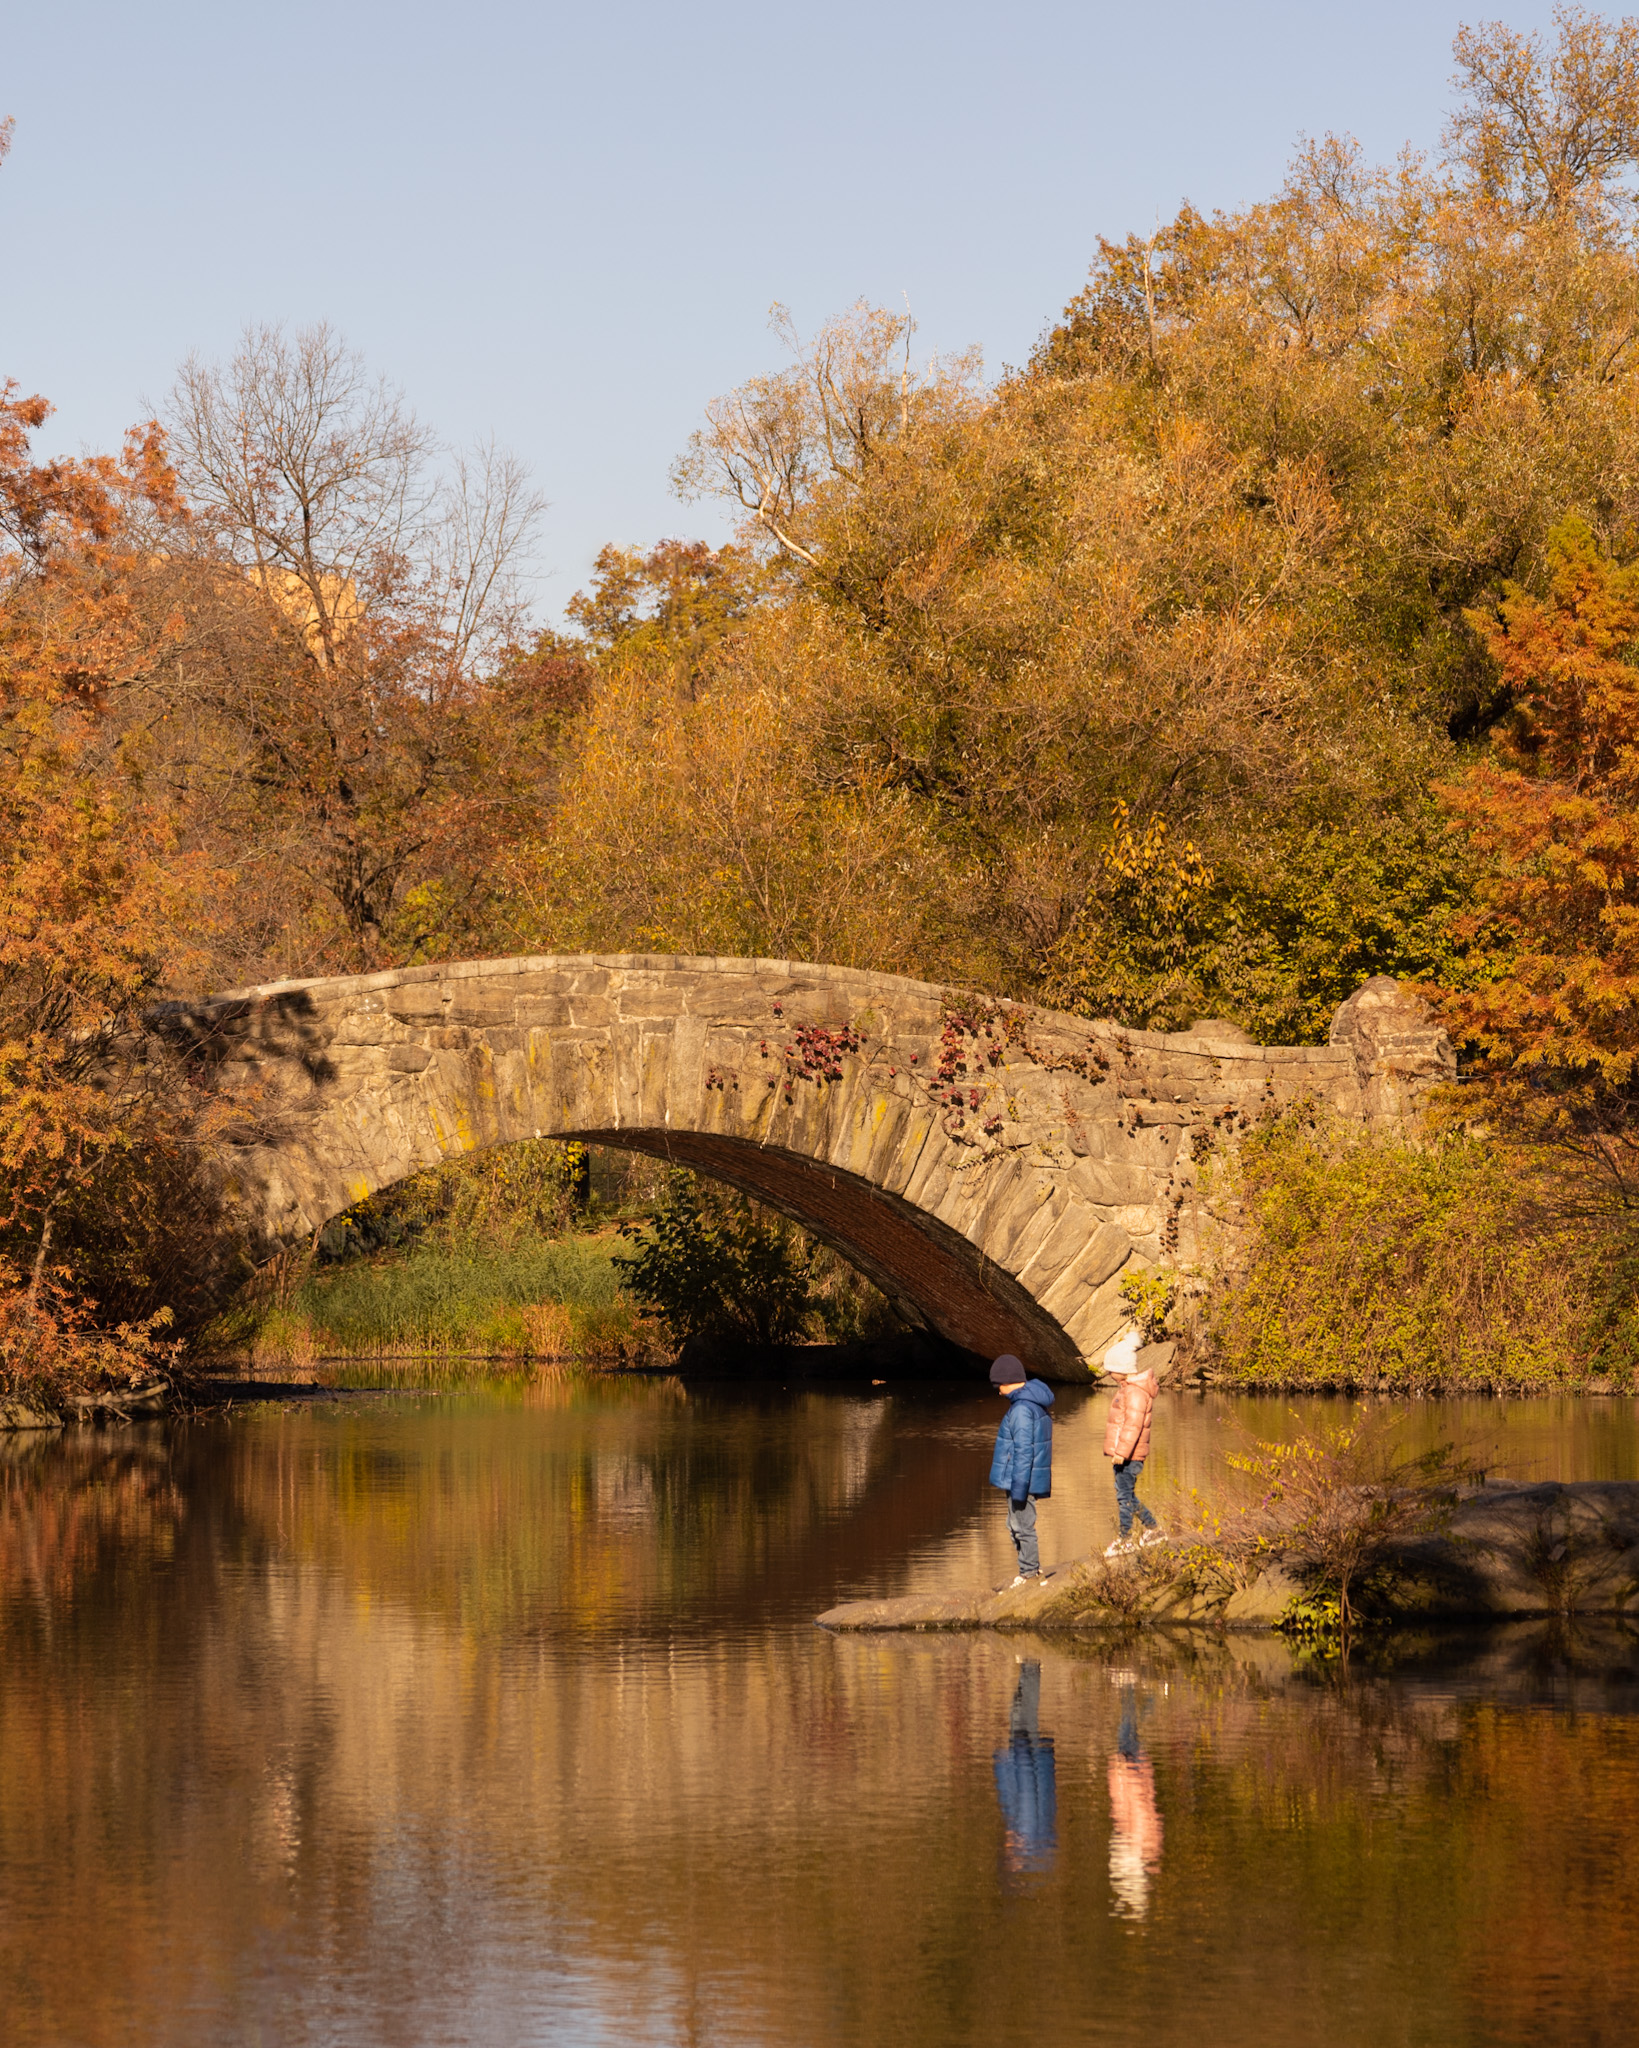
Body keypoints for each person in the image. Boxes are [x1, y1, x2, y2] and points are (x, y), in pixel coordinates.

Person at [989, 1353, 1054, 1586]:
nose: (998, 1392)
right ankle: (1029, 1568)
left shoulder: (1021, 1410)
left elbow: (1024, 1452)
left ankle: (1029, 1572)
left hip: (1022, 1480)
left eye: (998, 1386)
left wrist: (1019, 1487)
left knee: (1021, 1526)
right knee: (1014, 1524)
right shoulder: (1032, 1403)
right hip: (1025, 1479)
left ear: (1008, 1382)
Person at [1101, 1328, 1166, 1556]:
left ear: (1122, 1368)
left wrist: (1122, 1452)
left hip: (1129, 1455)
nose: (1108, 1372)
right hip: (1126, 1454)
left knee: (1124, 1497)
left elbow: (1133, 1425)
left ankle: (1125, 1539)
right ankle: (1153, 1529)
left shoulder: (1135, 1393)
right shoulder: (1128, 1390)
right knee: (1126, 1495)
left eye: (1111, 1369)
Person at [994, 1656, 1057, 1881]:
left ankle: (1030, 1666)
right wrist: (1012, 1755)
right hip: (1025, 1753)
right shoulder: (1026, 1827)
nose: (1005, 1842)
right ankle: (1031, 1665)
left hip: (1030, 1756)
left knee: (1020, 1710)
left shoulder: (1028, 1830)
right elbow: (1027, 1786)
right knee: (1022, 1711)